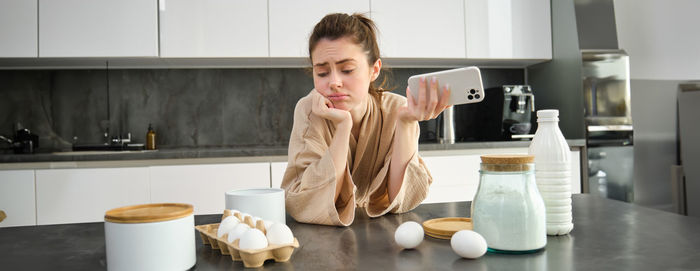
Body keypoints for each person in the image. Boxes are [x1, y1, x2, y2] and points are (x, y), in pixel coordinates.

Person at [281, 13, 451, 226]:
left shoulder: (397, 110)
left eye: (347, 70)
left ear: (374, 70)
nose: (334, 82)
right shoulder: (309, 110)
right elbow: (309, 203)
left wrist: (406, 123)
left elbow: (401, 199)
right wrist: (343, 127)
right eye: (322, 72)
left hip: (383, 238)